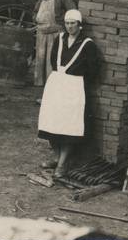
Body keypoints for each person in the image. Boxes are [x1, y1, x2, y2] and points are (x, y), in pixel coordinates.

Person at [37, 9, 98, 178]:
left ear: (79, 25)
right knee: (52, 123)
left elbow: (93, 70)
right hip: (57, 84)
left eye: (73, 23)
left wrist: (76, 82)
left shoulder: (87, 44)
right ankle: (56, 157)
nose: (70, 26)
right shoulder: (60, 39)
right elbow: (52, 60)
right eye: (67, 23)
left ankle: (63, 164)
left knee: (68, 126)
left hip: (74, 87)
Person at [32, 0, 76, 87]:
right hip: (42, 33)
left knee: (52, 60)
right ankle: (40, 84)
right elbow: (36, 10)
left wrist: (64, 27)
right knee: (41, 59)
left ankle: (52, 85)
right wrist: (35, 18)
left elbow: (72, 13)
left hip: (56, 33)